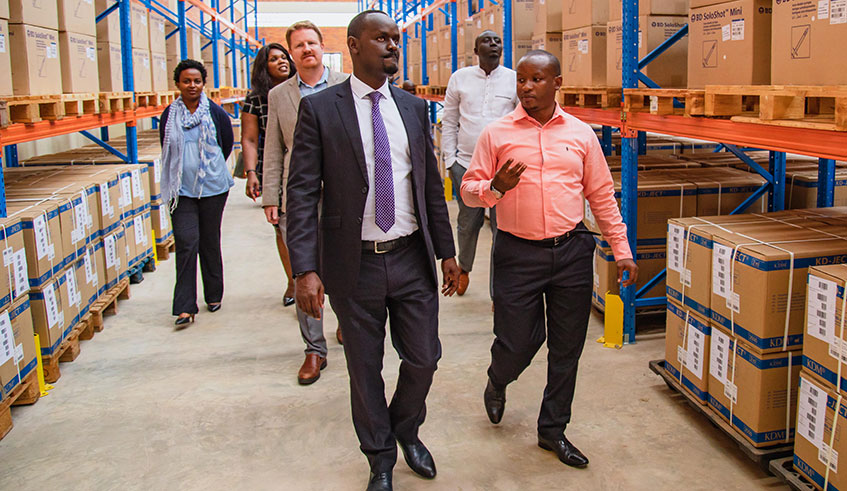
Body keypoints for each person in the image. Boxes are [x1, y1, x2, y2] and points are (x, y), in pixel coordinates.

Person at [286, 11, 460, 491]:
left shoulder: (411, 108)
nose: (391, 46)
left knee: (424, 357)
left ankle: (406, 429)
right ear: (354, 45)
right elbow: (301, 193)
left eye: (395, 39)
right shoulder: (321, 109)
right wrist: (305, 268)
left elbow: (429, 187)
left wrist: (446, 251)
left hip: (410, 256)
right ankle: (380, 455)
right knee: (365, 369)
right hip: (353, 262)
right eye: (381, 38)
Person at [461, 50, 638, 468]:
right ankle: (497, 378)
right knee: (518, 340)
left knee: (566, 348)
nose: (526, 87)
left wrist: (621, 249)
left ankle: (552, 430)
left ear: (557, 82)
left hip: (572, 249)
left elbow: (601, 196)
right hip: (517, 253)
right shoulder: (497, 133)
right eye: (521, 80)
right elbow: (469, 191)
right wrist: (494, 188)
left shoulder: (580, 134)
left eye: (537, 79)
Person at [262, 21, 349, 385]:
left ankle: (348, 322)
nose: (306, 49)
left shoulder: (346, 85)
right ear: (291, 53)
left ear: (321, 45)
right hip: (298, 196)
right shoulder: (279, 95)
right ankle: (314, 349)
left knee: (346, 266)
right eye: (298, 45)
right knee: (305, 270)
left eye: (311, 43)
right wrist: (271, 196)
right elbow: (274, 149)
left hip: (344, 193)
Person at [159, 59, 234, 328]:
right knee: (187, 242)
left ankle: (214, 294)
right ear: (177, 84)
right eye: (186, 81)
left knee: (209, 241)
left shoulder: (215, 113)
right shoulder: (170, 115)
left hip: (213, 188)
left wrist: (206, 170)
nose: (192, 85)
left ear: (203, 84)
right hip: (181, 191)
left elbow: (226, 144)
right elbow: (166, 149)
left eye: (197, 81)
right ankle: (184, 307)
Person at [442, 30, 517, 297]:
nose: (493, 44)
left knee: (503, 230)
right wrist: (450, 160)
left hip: (503, 171)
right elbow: (449, 120)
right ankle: (465, 267)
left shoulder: (514, 79)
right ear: (476, 49)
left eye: (497, 40)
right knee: (468, 224)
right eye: (486, 40)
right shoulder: (460, 79)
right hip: (466, 165)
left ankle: (499, 292)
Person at [241, 43, 297, 307]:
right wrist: (252, 172)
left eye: (284, 57)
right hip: (275, 164)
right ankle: (293, 281)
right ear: (264, 68)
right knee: (282, 227)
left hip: (306, 164)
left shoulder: (303, 89)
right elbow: (250, 139)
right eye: (274, 59)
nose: (282, 61)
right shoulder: (256, 99)